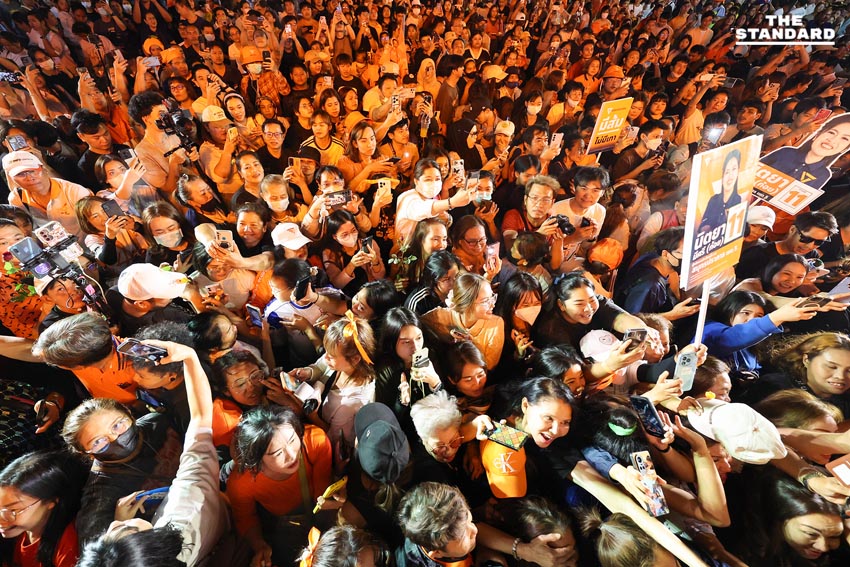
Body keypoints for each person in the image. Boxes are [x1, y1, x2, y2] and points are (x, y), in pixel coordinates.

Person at [75, 339, 230, 567]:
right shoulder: (186, 512)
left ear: (131, 417)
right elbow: (200, 420)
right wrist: (189, 357)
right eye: (98, 442)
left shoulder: (156, 423)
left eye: (118, 425)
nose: (114, 524)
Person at [226, 405, 332, 567]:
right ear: (256, 459)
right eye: (277, 453)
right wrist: (259, 546)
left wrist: (331, 506)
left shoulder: (314, 442)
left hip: (316, 514)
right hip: (279, 527)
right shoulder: (240, 483)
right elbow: (246, 519)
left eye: (292, 440)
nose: (291, 454)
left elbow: (322, 498)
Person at [0, 450, 88, 567]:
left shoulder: (68, 548)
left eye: (13, 510)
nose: (1, 519)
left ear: (50, 502)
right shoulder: (15, 535)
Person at [421, 273, 505, 370]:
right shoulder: (439, 317)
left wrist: (472, 346)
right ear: (466, 303)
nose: (492, 305)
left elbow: (489, 366)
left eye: (492, 297)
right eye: (485, 301)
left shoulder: (495, 324)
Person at [761, 113, 850, 190]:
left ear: (845, 149)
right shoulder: (785, 152)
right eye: (832, 132)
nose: (832, 140)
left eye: (845, 138)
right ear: (817, 134)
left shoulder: (823, 175)